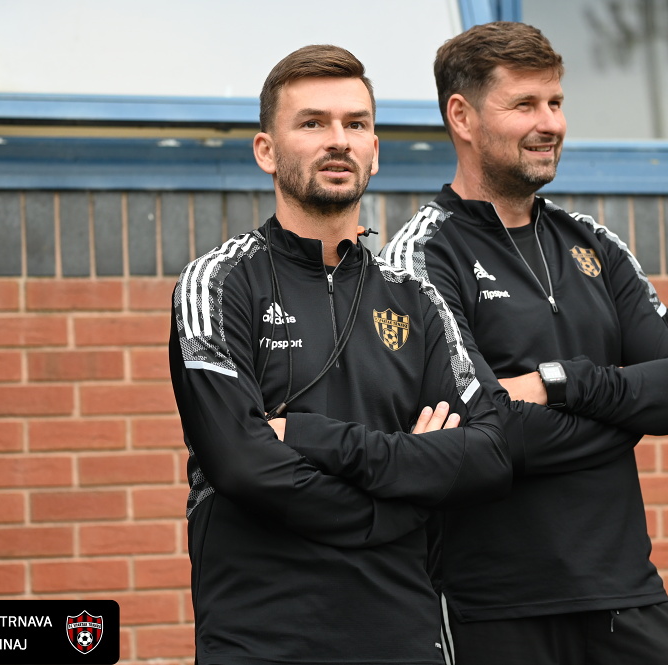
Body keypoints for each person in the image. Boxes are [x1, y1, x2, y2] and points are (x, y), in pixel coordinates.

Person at [382, 22, 668, 665]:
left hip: (626, 593)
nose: (551, 124)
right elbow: (487, 435)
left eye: (556, 102)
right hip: (496, 608)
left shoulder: (595, 244)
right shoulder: (421, 255)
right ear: (462, 116)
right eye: (525, 105)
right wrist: (628, 416)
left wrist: (562, 383)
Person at [169, 44, 512, 665]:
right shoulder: (218, 283)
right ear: (266, 151)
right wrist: (406, 495)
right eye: (312, 123)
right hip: (262, 642)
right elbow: (242, 464)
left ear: (375, 151)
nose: (338, 140)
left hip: (404, 639)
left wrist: (310, 437)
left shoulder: (417, 298)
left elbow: (489, 453)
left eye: (355, 124)